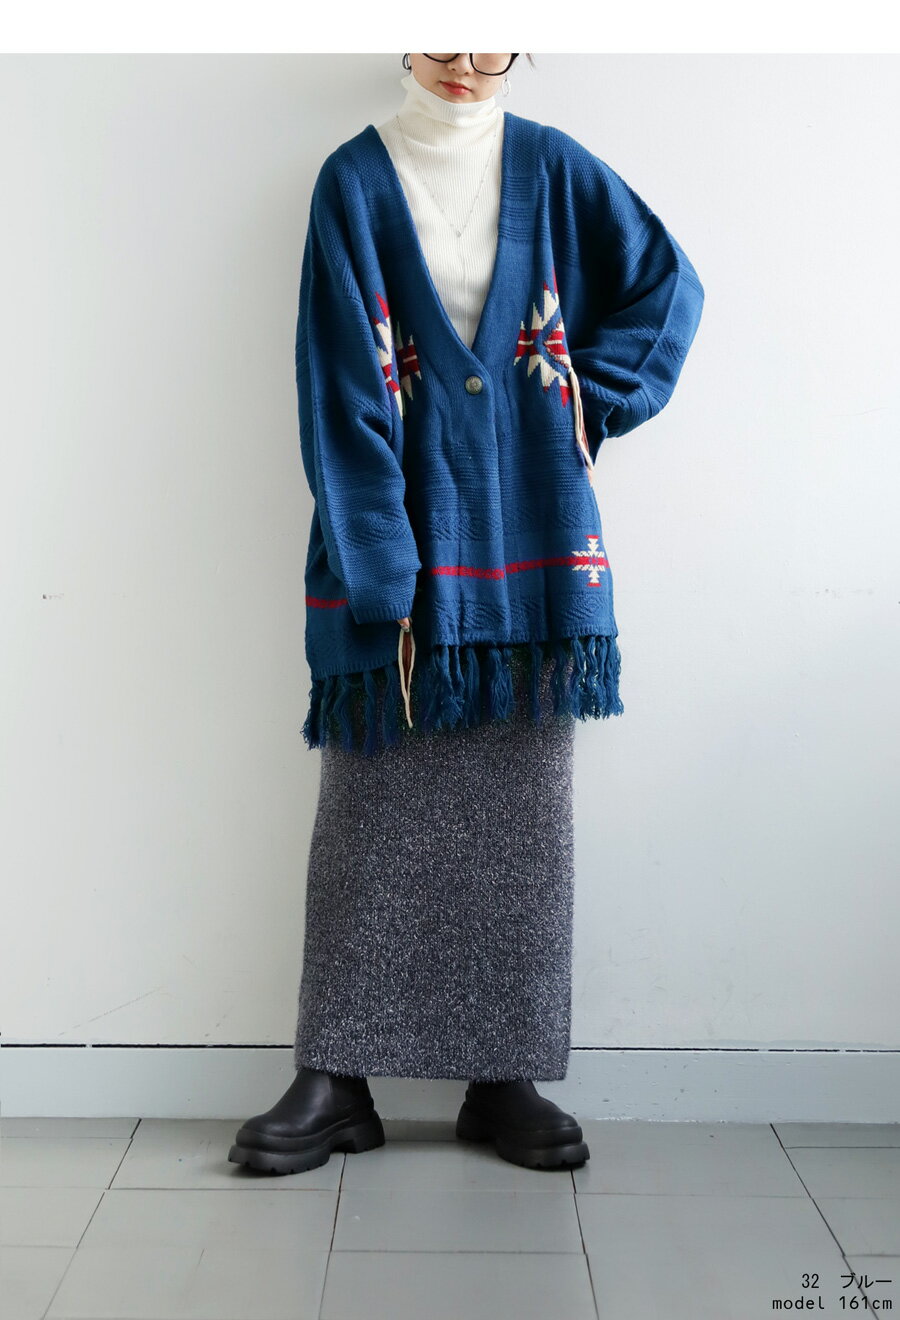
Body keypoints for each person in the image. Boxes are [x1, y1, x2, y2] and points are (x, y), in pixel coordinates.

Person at [229, 53, 704, 1176]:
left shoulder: (557, 170)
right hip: (398, 530)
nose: (463, 62)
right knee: (372, 814)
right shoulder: (355, 182)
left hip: (535, 534)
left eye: (490, 39)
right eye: (442, 36)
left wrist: (598, 397)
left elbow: (668, 286)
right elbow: (338, 386)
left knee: (524, 819)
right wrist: (381, 568)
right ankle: (336, 1073)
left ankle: (506, 1075)